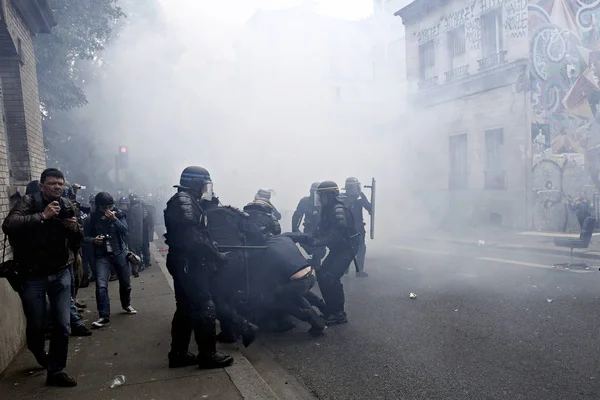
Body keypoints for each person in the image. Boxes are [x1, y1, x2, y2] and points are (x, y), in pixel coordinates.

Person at [2, 168, 83, 387]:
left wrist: (74, 229)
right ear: (42, 186)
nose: (57, 187)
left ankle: (56, 371)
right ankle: (39, 353)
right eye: (53, 183)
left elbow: (78, 239)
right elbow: (8, 225)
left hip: (60, 272)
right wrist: (42, 216)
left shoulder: (67, 205)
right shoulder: (29, 202)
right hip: (32, 276)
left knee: (63, 325)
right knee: (37, 325)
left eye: (60, 183)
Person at [163, 166, 233, 369]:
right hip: (188, 262)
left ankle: (178, 353)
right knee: (204, 305)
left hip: (182, 260)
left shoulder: (185, 200)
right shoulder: (185, 201)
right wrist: (216, 255)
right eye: (204, 184)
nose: (206, 189)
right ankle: (207, 355)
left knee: (185, 308)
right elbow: (193, 239)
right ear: (196, 183)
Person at [85, 192, 137, 329]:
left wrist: (115, 219)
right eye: (105, 207)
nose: (108, 209)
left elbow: (126, 230)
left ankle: (126, 304)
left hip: (119, 252)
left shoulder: (118, 214)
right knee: (101, 285)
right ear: (98, 207)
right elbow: (84, 237)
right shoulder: (91, 218)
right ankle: (104, 315)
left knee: (126, 283)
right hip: (102, 255)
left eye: (110, 206)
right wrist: (93, 240)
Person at [310, 181, 359, 325]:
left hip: (347, 248)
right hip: (339, 248)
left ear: (330, 195)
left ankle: (339, 314)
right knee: (322, 274)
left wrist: (316, 242)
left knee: (331, 277)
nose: (319, 198)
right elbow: (320, 229)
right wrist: (308, 237)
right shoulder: (327, 209)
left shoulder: (337, 209)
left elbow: (335, 236)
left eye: (322, 195)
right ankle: (331, 309)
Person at [292, 182, 326, 269]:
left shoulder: (325, 201)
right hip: (309, 229)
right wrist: (295, 229)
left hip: (323, 230)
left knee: (320, 252)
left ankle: (314, 266)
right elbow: (297, 215)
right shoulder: (305, 201)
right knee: (312, 249)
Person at [342, 177, 372, 277]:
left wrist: (362, 196)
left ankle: (359, 270)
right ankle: (345, 268)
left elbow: (370, 208)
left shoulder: (359, 199)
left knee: (360, 248)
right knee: (347, 248)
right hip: (347, 228)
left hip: (357, 227)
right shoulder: (342, 198)